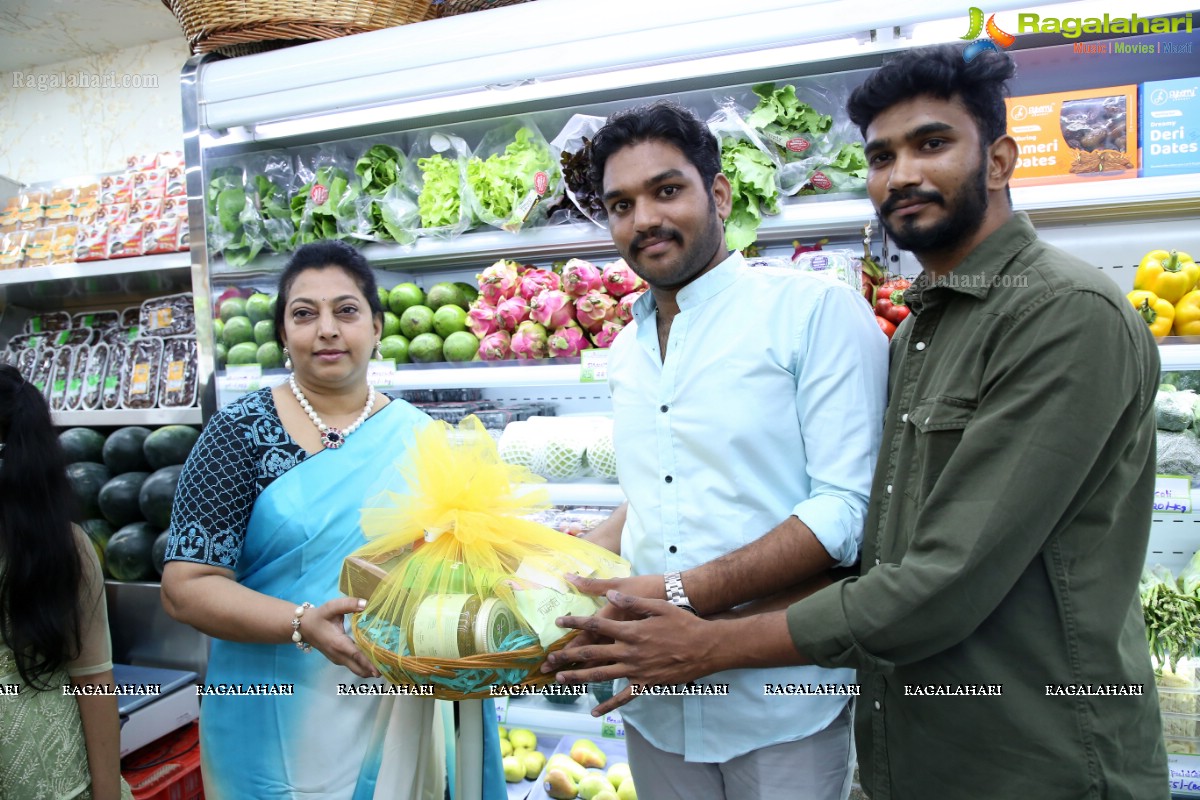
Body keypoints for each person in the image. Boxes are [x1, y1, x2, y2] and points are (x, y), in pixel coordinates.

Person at [547, 45, 1170, 798]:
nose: (902, 173)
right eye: (881, 155)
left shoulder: (1064, 315)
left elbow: (932, 572)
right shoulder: (920, 330)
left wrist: (701, 630)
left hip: (1037, 748)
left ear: (1001, 159)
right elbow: (878, 537)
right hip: (907, 734)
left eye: (932, 144)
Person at [551, 101, 888, 800]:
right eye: (620, 203)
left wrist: (680, 595)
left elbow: (848, 509)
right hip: (651, 708)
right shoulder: (625, 348)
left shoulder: (812, 310)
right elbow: (660, 491)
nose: (643, 218)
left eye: (666, 190)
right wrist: (565, 566)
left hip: (780, 703)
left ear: (721, 194)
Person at [161, 240, 506, 800]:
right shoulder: (237, 435)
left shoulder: (425, 438)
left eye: (345, 311)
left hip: (398, 702)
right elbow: (185, 589)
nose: (326, 329)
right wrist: (301, 622)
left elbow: (467, 567)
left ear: (375, 326)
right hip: (273, 711)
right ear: (282, 334)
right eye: (304, 313)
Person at [0, 364, 132, 800]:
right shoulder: (64, 544)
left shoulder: (58, 547)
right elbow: (94, 679)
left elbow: (93, 678)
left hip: (46, 774)